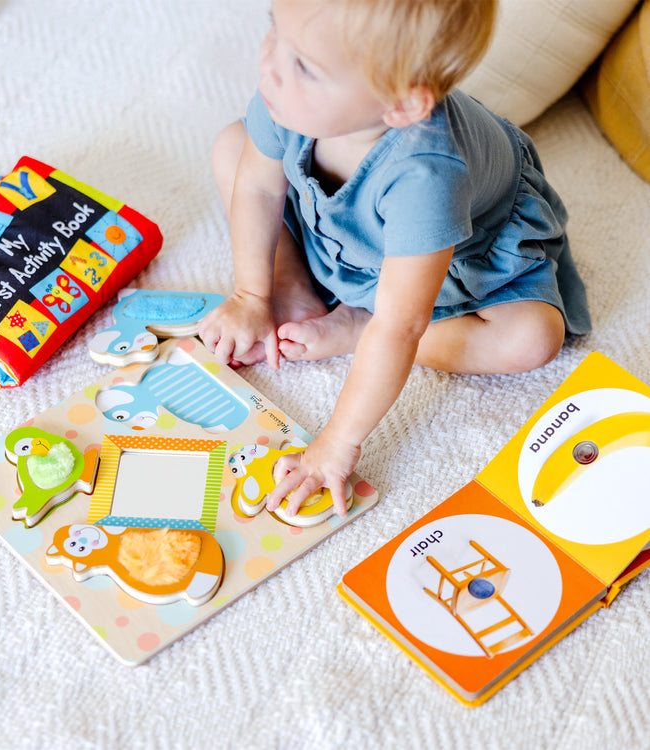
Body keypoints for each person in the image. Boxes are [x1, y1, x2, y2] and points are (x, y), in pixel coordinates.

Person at [198, 0, 590, 519]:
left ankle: (355, 326)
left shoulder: (427, 175)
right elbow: (257, 187)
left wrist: (336, 444)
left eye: (305, 67)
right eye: (274, 29)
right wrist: (252, 294)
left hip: (453, 260)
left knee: (531, 339)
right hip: (348, 231)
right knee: (233, 146)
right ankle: (291, 283)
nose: (268, 64)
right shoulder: (286, 95)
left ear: (402, 105)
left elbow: (402, 326)